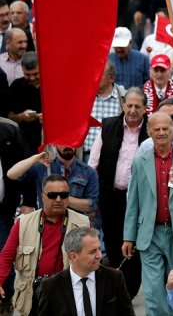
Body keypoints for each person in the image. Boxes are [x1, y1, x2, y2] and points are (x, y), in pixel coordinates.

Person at [122, 111, 173, 316]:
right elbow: (134, 201)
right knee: (153, 293)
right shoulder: (140, 161)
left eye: (165, 128)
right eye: (156, 129)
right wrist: (128, 236)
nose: (161, 133)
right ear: (149, 132)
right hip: (150, 234)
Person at [0, 175, 90, 316]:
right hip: (33, 294)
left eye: (63, 195)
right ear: (43, 197)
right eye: (53, 195)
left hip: (70, 295)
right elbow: (6, 257)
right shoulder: (23, 223)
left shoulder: (83, 223)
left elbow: (94, 259)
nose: (58, 199)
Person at [89, 87, 148, 298]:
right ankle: (119, 287)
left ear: (145, 108)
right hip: (111, 198)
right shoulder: (109, 126)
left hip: (140, 201)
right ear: (123, 105)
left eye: (137, 107)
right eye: (129, 105)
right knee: (114, 245)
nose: (132, 110)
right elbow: (93, 164)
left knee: (135, 245)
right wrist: (94, 198)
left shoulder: (150, 130)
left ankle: (129, 291)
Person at [36, 227, 134, 316]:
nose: (99, 255)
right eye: (92, 252)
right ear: (73, 256)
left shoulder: (114, 278)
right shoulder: (51, 286)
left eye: (99, 249)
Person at [0, 117, 36, 315]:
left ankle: (5, 300)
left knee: (4, 253)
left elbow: (27, 166)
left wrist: (29, 201)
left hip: (4, 207)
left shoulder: (10, 130)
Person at [7, 145, 98, 215]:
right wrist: (35, 158)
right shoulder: (44, 166)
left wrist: (61, 197)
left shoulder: (88, 172)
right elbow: (12, 174)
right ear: (55, 144)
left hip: (75, 227)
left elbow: (92, 205)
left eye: (71, 141)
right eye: (62, 141)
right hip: (46, 225)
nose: (67, 145)